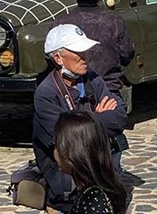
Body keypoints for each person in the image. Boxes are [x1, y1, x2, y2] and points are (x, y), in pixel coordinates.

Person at [33, 24, 128, 213]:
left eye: (85, 50)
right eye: (78, 52)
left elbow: (119, 116)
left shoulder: (93, 79)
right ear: (58, 58)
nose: (85, 56)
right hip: (67, 191)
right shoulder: (46, 94)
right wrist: (97, 117)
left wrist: (84, 123)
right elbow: (69, 139)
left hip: (100, 179)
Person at [53, 0, 135, 98]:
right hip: (108, 92)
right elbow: (127, 55)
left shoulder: (60, 24)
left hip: (72, 94)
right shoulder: (114, 22)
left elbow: (51, 58)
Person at [53, 111, 128, 214]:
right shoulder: (92, 190)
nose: (55, 152)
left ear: (73, 152)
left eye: (56, 146)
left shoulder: (93, 200)